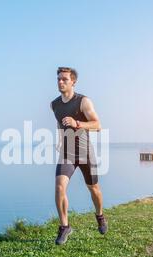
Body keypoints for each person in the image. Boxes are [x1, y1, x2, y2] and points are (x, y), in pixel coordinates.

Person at [50, 67, 108, 245]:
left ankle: (99, 215)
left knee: (94, 189)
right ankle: (65, 226)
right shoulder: (54, 104)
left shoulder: (83, 101)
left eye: (64, 79)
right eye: (59, 79)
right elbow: (60, 123)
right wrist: (60, 140)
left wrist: (77, 123)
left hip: (85, 153)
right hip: (66, 153)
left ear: (73, 82)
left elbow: (97, 125)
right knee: (60, 187)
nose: (60, 82)